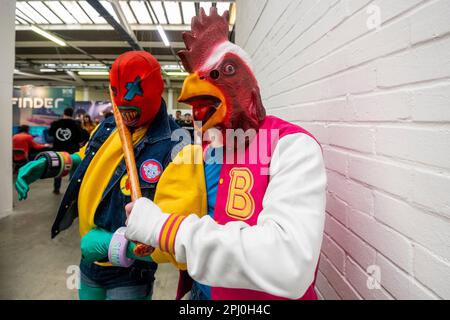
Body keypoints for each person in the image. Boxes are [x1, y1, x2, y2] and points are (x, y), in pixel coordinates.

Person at [124, 7, 326, 300]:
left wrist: (162, 227)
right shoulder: (205, 150)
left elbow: (290, 265)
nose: (197, 82)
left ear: (250, 85)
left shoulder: (292, 146)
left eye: (224, 71)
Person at [15, 51, 179, 300]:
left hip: (130, 273)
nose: (125, 111)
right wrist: (50, 163)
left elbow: (178, 233)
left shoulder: (176, 144)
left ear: (155, 90)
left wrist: (116, 244)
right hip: (89, 261)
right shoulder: (111, 124)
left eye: (133, 98)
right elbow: (86, 156)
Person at [48, 107, 84, 194]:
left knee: (58, 168)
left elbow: (50, 133)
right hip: (72, 150)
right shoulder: (76, 124)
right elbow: (80, 138)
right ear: (72, 114)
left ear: (64, 113)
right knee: (73, 169)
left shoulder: (56, 123)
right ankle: (71, 190)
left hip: (58, 149)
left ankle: (56, 188)